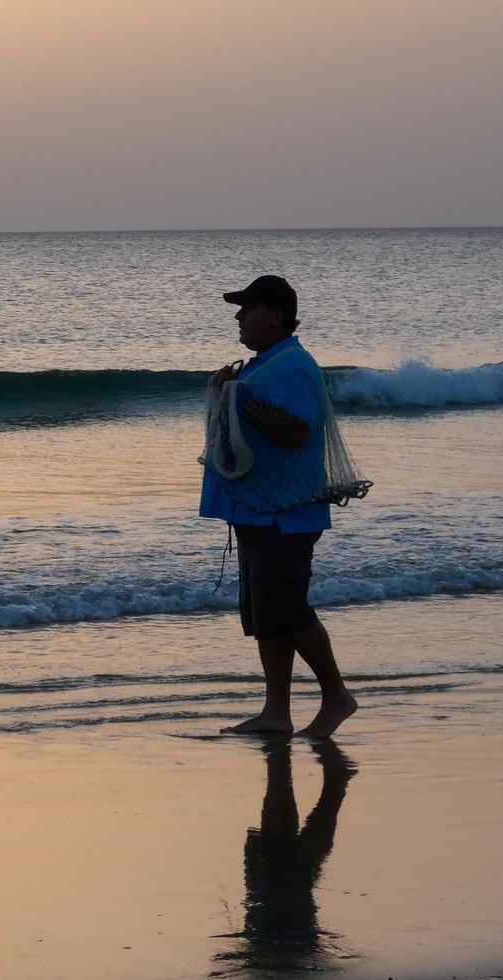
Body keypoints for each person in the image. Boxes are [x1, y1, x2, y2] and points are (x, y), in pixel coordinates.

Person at [200, 275, 357, 738]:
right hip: (258, 511)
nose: (238, 316)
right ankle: (276, 712)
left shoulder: (293, 366)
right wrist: (229, 388)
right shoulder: (264, 364)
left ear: (274, 315)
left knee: (287, 611)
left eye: (246, 308)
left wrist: (239, 401)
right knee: (265, 616)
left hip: (284, 515)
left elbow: (296, 432)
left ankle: (337, 696)